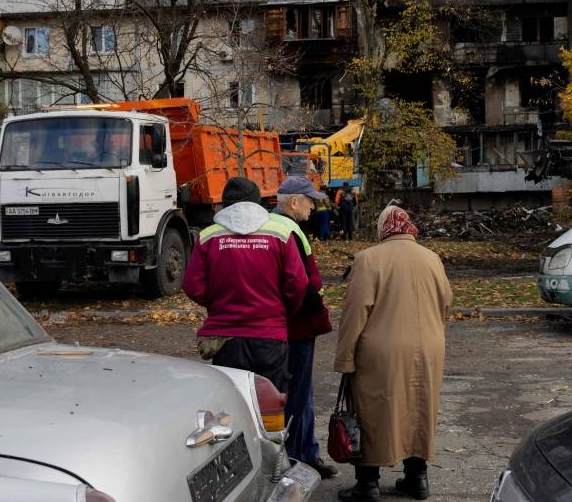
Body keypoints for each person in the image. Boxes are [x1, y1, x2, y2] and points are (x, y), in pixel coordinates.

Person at [333, 205, 453, 502]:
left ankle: (368, 485)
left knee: (371, 412)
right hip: (428, 347)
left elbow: (355, 312)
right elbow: (446, 302)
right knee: (420, 408)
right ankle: (417, 479)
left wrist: (345, 357)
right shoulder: (432, 258)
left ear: (383, 228)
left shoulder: (368, 259)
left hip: (381, 351)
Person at [182, 177, 309, 392]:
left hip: (226, 338)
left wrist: (218, 303)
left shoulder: (208, 237)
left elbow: (192, 284)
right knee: (269, 404)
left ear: (224, 204)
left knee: (233, 403)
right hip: (270, 335)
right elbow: (298, 283)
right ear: (258, 202)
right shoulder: (280, 234)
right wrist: (282, 310)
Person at [264, 176, 337, 480]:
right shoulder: (289, 230)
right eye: (309, 200)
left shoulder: (271, 225)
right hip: (297, 326)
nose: (313, 206)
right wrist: (315, 309)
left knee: (297, 392)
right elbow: (301, 284)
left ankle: (305, 452)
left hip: (282, 324)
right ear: (293, 202)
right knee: (296, 393)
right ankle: (298, 457)